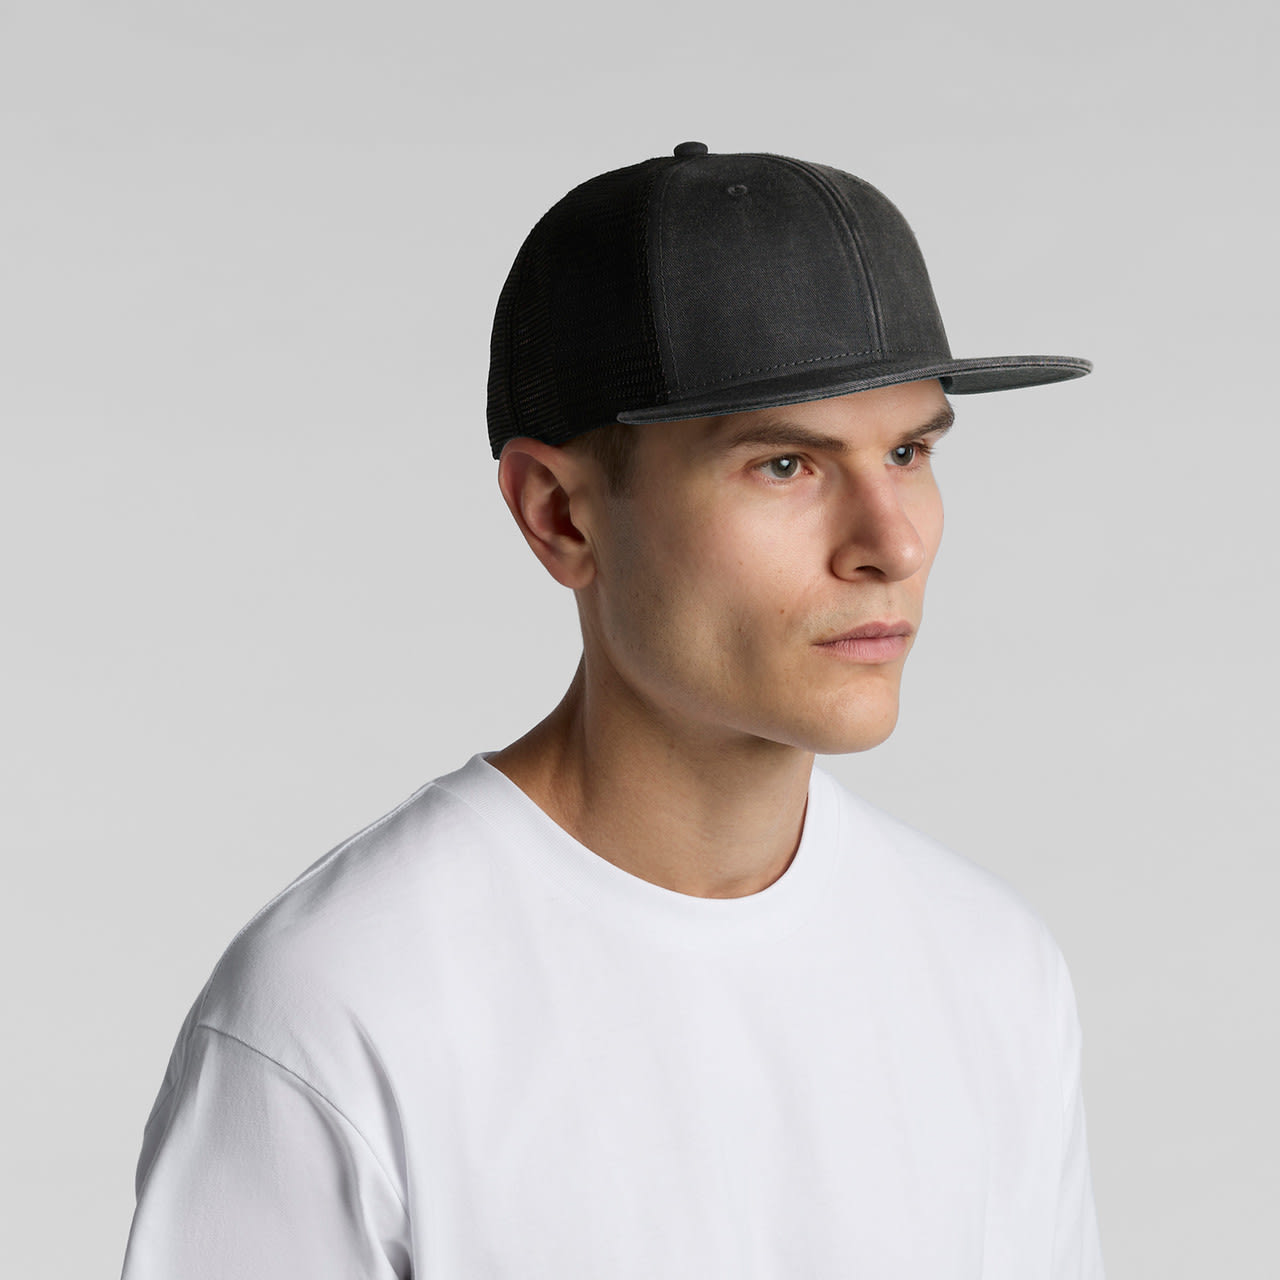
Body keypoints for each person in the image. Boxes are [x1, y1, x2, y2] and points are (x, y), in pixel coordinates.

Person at [120, 142, 1105, 1278]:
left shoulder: (990, 967)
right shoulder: (344, 1005)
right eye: (785, 465)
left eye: (907, 450)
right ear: (560, 515)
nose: (893, 543)